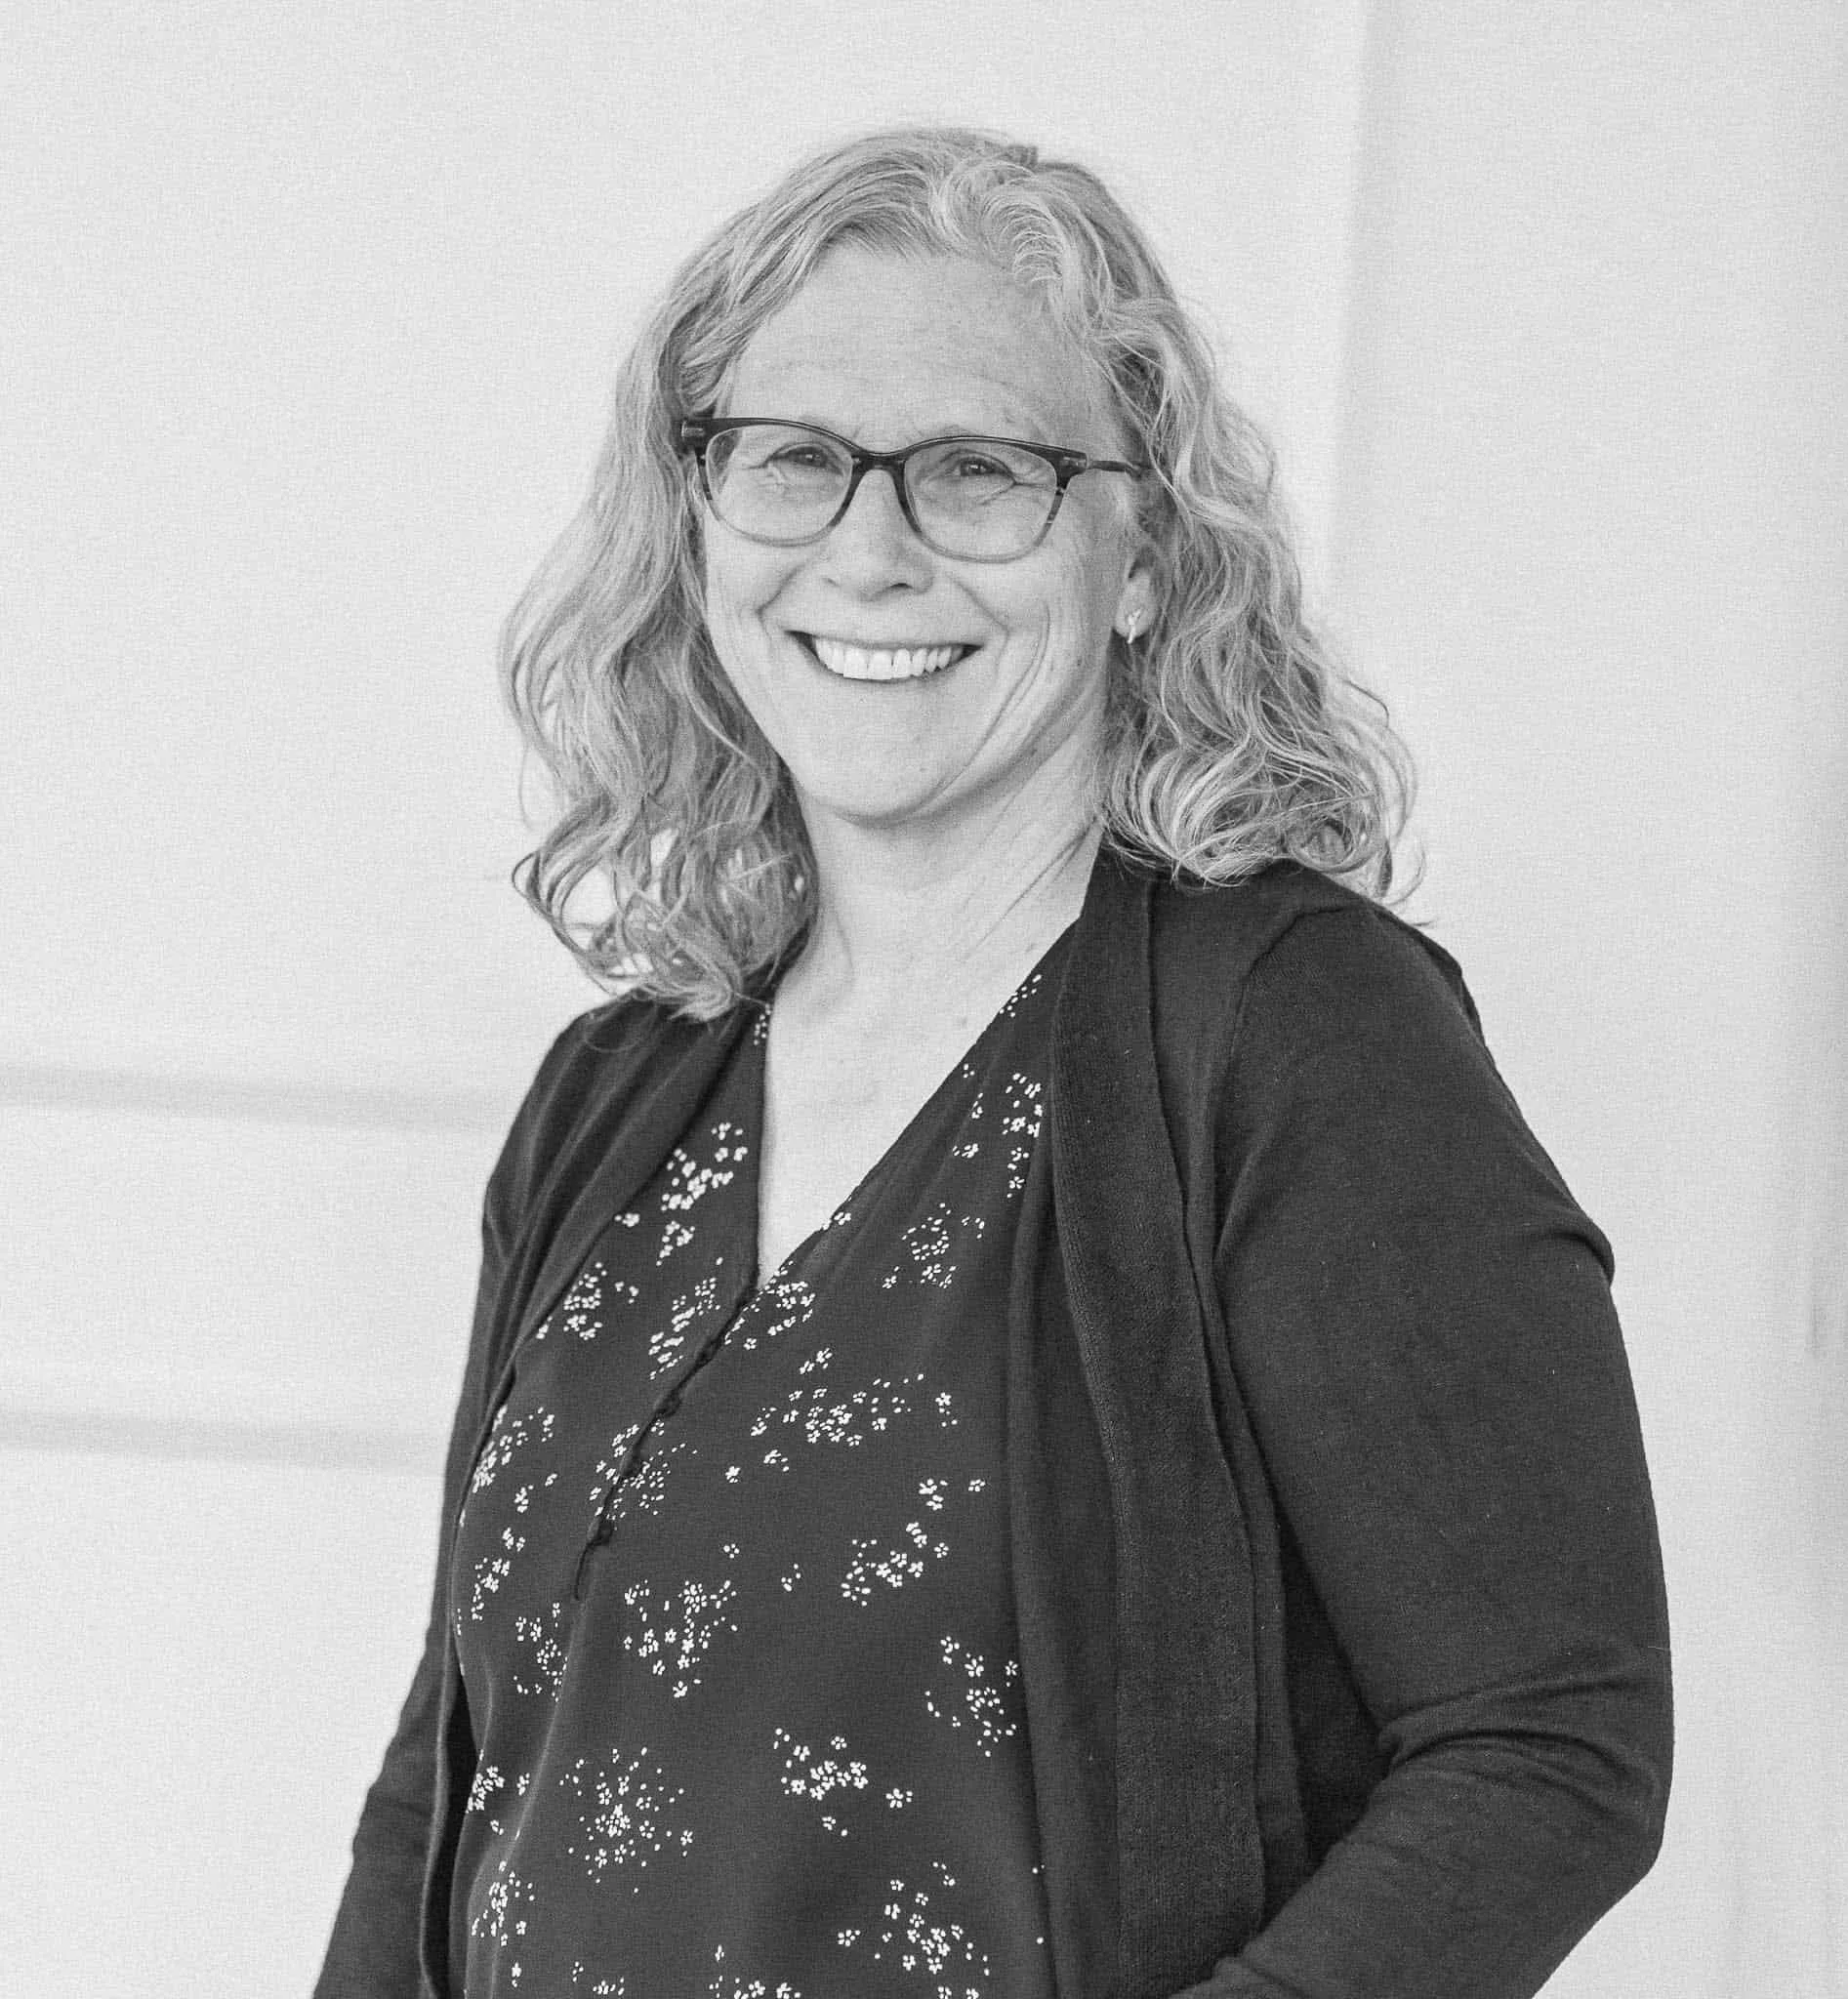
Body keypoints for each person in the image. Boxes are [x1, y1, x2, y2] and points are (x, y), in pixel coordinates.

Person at [315, 127, 1671, 1999]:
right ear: (697, 522)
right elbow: (455, 1766)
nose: (870, 553)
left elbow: (1546, 1751)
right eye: (792, 459)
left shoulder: (1299, 1036)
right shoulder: (615, 1096)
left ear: (1143, 559)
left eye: (980, 473)